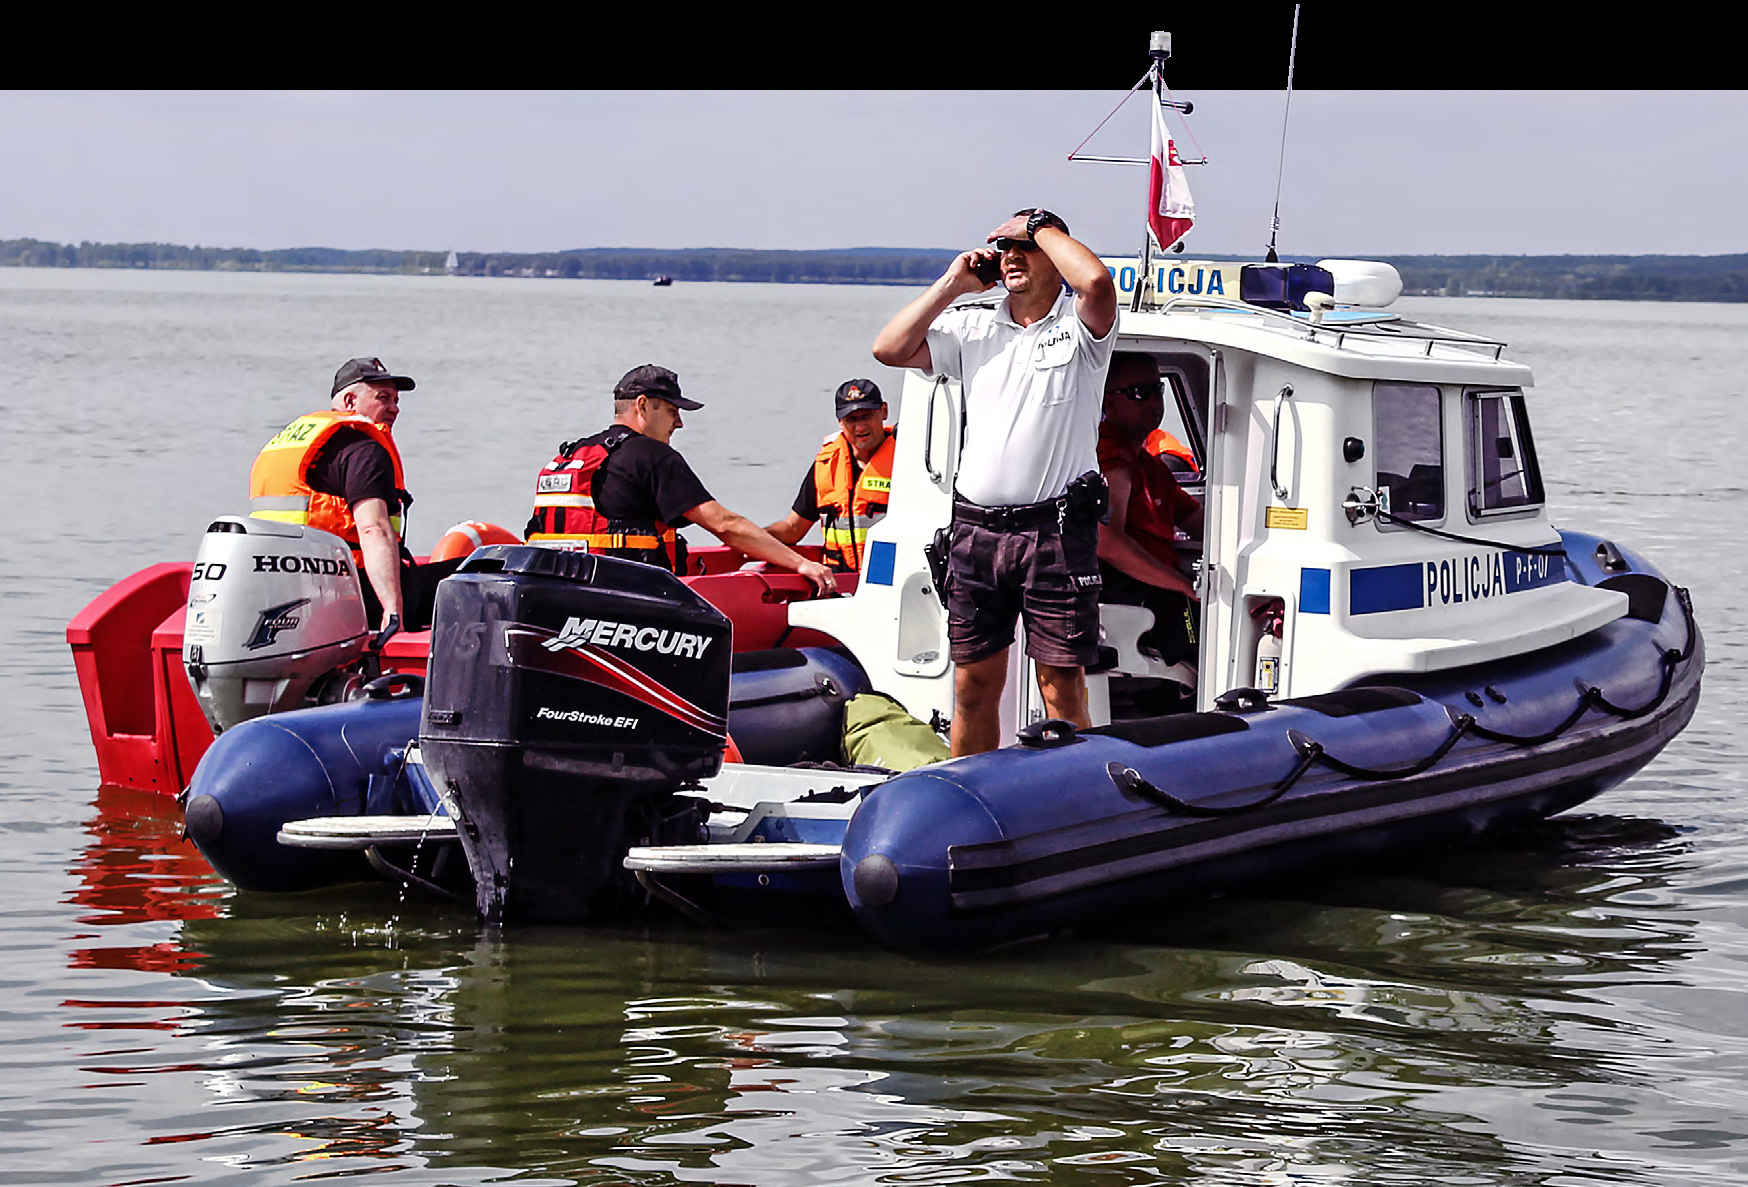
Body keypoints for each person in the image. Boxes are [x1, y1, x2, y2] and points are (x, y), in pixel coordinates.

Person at [872, 208, 1118, 757]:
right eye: (1002, 246)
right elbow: (888, 349)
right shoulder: (971, 324)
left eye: (1023, 247)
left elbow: (1096, 281)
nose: (1010, 255)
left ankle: (1073, 805)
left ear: (1054, 254)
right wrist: (954, 284)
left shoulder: (1078, 329)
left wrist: (1038, 229)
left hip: (1053, 534)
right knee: (972, 685)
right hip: (976, 532)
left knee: (1060, 684)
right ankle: (972, 800)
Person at [526, 364, 836, 595]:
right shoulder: (652, 455)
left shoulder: (571, 456)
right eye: (673, 410)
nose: (680, 422)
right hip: (626, 600)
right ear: (643, 405)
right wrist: (800, 564)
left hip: (559, 592)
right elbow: (725, 525)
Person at [249, 356, 458, 632]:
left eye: (396, 401)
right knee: (491, 571)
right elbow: (373, 529)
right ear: (350, 402)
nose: (394, 409)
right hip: (351, 595)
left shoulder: (289, 443)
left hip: (288, 591)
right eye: (383, 398)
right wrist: (393, 612)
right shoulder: (364, 451)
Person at [1097, 351, 1204, 667]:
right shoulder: (1107, 455)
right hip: (1131, 600)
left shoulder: (1152, 467)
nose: (1154, 402)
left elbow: (1202, 523)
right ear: (1107, 401)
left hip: (1156, 596)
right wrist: (1183, 584)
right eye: (1138, 393)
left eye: (1158, 390)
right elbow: (1107, 543)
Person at [763, 379, 897, 574]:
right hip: (839, 580)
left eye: (866, 416)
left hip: (893, 579)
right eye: (852, 420)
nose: (860, 428)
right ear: (840, 422)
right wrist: (750, 537)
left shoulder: (909, 458)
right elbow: (793, 528)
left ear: (883, 411)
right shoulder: (826, 463)